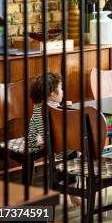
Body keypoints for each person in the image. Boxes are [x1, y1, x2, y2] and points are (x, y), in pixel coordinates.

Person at [28, 72, 80, 206]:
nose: (62, 91)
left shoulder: (37, 108)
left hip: (45, 146)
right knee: (74, 153)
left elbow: (33, 128)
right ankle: (73, 192)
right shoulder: (57, 111)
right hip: (63, 147)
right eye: (61, 88)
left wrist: (37, 141)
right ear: (52, 93)